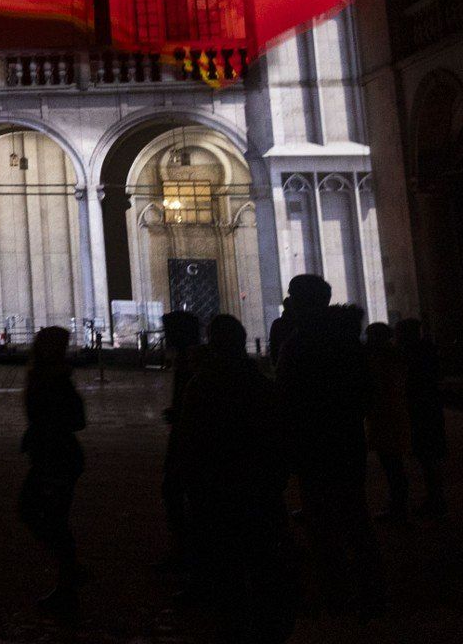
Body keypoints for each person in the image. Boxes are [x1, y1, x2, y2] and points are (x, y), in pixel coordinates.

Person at [174, 314, 294, 641]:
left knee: (225, 562)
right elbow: (279, 436)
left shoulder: (204, 384)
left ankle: (235, 624)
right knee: (262, 560)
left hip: (218, 489)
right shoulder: (261, 384)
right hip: (258, 490)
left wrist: (191, 484)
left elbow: (190, 440)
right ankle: (270, 626)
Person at [275, 275, 382, 613]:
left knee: (323, 521)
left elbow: (286, 396)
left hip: (314, 443)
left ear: (304, 302)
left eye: (293, 296)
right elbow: (366, 392)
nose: (289, 302)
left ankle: (335, 589)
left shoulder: (301, 342)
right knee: (354, 515)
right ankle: (368, 586)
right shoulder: (347, 340)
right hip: (346, 441)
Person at [19, 325, 84, 619]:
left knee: (37, 512)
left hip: (55, 457)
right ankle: (69, 573)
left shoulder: (56, 379)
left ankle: (69, 577)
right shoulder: (46, 376)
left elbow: (77, 419)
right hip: (51, 455)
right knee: (46, 516)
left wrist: (45, 428)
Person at [156, 309, 203, 572]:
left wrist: (178, 413)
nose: (166, 336)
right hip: (186, 433)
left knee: (175, 490)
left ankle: (186, 553)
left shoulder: (190, 361)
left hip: (187, 437)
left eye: (170, 331)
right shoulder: (190, 359)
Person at [395, 319, 447, 517]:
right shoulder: (426, 351)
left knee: (428, 457)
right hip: (429, 409)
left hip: (421, 411)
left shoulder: (413, 355)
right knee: (430, 458)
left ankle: (435, 501)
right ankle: (436, 499)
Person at [362, 321, 412, 522]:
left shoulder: (380, 361)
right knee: (394, 465)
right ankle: (398, 506)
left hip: (385, 418)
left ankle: (397, 508)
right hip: (394, 415)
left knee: (392, 465)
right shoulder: (395, 357)